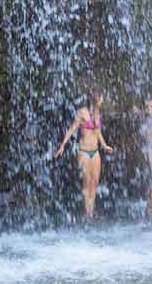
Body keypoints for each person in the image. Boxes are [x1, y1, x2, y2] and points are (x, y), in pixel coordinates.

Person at [54, 91, 114, 219]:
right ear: (95, 99)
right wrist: (62, 145)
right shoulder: (82, 112)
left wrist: (104, 145)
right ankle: (88, 213)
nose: (102, 102)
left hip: (95, 151)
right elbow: (72, 129)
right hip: (84, 151)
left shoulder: (97, 113)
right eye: (101, 99)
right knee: (87, 182)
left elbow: (98, 132)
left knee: (95, 182)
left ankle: (91, 210)